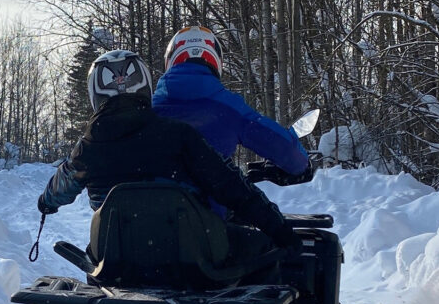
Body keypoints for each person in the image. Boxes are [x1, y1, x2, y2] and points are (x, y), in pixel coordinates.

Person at [36, 49, 298, 254]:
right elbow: (232, 186)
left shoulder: (87, 149)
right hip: (192, 257)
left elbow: (60, 188)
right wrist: (278, 228)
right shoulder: (178, 134)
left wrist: (46, 203)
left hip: (115, 260)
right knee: (263, 249)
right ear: (145, 86)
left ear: (95, 92)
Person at [152, 25, 310, 177]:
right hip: (211, 203)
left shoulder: (148, 108)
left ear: (171, 59)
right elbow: (287, 151)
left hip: (152, 202)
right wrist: (301, 163)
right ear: (215, 60)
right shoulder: (229, 108)